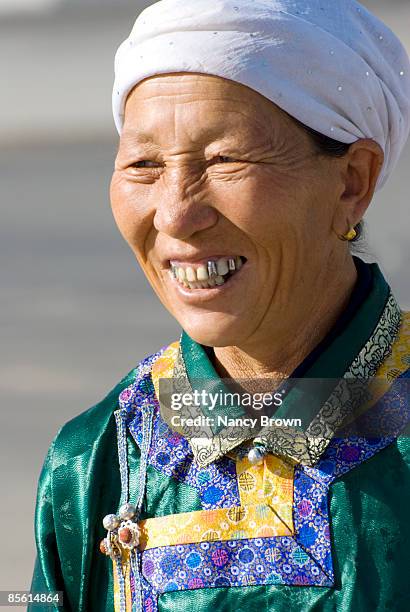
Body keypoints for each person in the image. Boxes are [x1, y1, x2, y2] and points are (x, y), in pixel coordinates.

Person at [30, 1, 410, 610]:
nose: (177, 213)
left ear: (352, 182)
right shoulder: (93, 459)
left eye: (224, 160)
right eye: (143, 164)